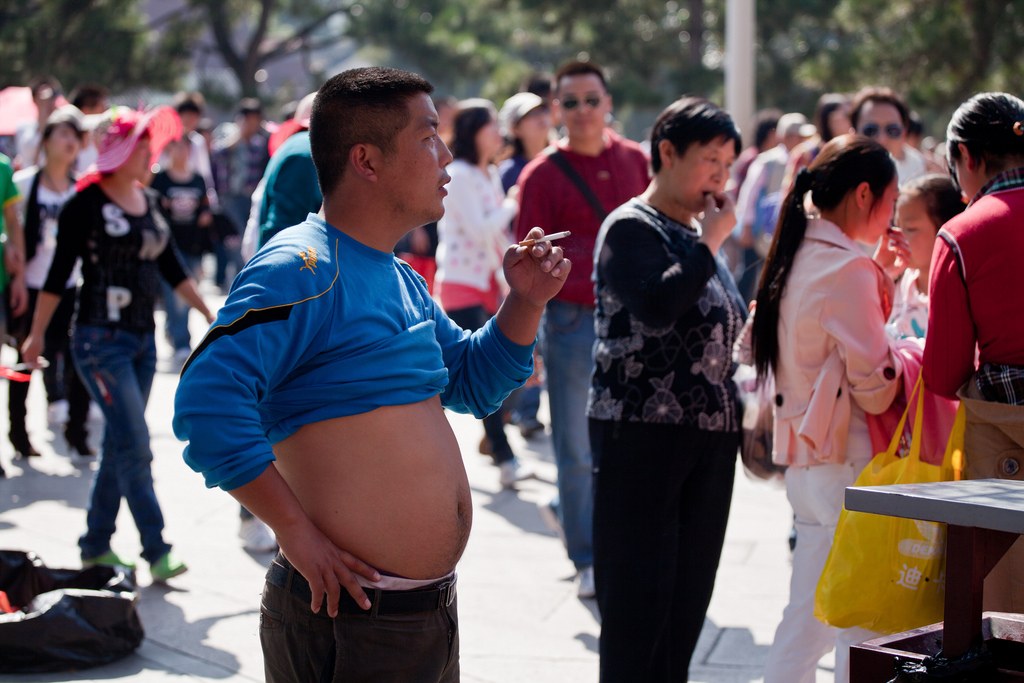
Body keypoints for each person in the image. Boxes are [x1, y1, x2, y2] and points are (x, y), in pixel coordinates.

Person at [172, 66, 569, 682]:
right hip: (349, 619)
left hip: (421, 615)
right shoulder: (299, 266)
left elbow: (469, 382)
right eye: (428, 137)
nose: (445, 157)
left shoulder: (399, 274)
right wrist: (296, 534)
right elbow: (206, 404)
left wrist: (526, 301)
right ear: (366, 159)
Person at [21, 105, 215, 581]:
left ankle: (95, 544)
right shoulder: (82, 204)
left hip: (142, 344)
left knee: (119, 444)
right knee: (135, 445)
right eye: (144, 144)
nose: (153, 152)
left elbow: (172, 268)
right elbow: (59, 273)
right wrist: (36, 335)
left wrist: (212, 316)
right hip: (98, 341)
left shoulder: (146, 201)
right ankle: (156, 548)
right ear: (123, 150)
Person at [589, 97, 746, 681]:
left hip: (708, 437)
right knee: (638, 609)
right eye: (710, 161)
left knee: (685, 605)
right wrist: (711, 245)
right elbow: (658, 305)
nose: (720, 178)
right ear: (667, 153)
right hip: (641, 435)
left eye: (728, 165)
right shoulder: (632, 227)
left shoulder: (698, 234)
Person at [751, 136, 904, 683]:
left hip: (807, 462)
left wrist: (876, 278)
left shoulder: (796, 255)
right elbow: (876, 388)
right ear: (865, 195)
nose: (892, 215)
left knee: (810, 614)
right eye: (891, 201)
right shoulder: (847, 269)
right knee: (858, 619)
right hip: (849, 459)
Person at [514, 60, 649, 598]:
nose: (583, 111)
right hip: (572, 320)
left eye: (592, 99)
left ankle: (622, 546)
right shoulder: (541, 176)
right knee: (574, 446)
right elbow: (529, 259)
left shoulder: (637, 160)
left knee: (634, 440)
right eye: (571, 102)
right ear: (555, 110)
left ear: (608, 101)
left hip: (638, 318)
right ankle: (586, 557)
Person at [924, 92, 1024, 612]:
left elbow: (943, 374)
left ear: (966, 156)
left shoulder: (963, 233)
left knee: (1002, 606)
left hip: (1002, 437)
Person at [434, 99, 530, 488]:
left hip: (488, 283)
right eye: (491, 124)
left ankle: (496, 444)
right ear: (474, 130)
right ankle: (504, 454)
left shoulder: (485, 173)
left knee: (500, 371)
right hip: (461, 281)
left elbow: (494, 236)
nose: (499, 132)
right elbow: (479, 228)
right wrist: (511, 203)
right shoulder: (458, 173)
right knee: (481, 371)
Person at [10, 105, 94, 460]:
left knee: (76, 361)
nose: (70, 141)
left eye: (76, 135)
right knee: (24, 361)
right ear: (45, 140)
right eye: (63, 133)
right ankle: (18, 432)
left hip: (71, 287)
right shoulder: (24, 183)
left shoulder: (81, 189)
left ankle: (77, 431)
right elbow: (12, 233)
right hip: (28, 285)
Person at [498, 91, 553, 439]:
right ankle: (511, 414)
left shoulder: (557, 164)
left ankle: (522, 413)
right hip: (518, 274)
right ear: (515, 127)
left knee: (542, 346)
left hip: (555, 271)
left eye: (544, 111)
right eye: (532, 115)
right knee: (526, 343)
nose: (542, 118)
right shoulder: (508, 172)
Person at [733, 112, 816, 302]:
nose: (803, 141)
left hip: (787, 229)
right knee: (750, 273)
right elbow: (749, 194)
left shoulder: (807, 160)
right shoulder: (767, 161)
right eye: (798, 137)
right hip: (761, 231)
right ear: (784, 137)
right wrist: (746, 227)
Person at [151, 137, 212, 368]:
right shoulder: (160, 179)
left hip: (193, 245)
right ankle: (181, 342)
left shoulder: (197, 179)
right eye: (176, 146)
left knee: (188, 294)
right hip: (168, 246)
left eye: (185, 147)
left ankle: (174, 332)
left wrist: (205, 215)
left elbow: (206, 205)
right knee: (174, 296)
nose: (181, 151)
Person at [885, 175, 964, 341]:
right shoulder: (894, 284)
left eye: (910, 229)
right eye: (896, 226)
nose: (898, 236)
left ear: (946, 230)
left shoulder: (961, 297)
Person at [211, 98, 269, 289]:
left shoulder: (260, 143)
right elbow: (217, 154)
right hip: (231, 199)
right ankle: (239, 280)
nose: (253, 124)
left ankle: (246, 279)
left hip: (252, 199)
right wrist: (238, 136)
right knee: (235, 241)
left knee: (250, 239)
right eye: (249, 119)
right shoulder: (228, 139)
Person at [851, 86, 927, 185]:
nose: (882, 139)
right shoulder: (841, 174)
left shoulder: (916, 164)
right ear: (854, 134)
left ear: (904, 133)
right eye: (871, 130)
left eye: (892, 130)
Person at [781, 93, 852, 195]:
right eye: (847, 115)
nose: (852, 120)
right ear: (830, 119)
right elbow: (790, 196)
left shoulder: (851, 150)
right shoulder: (806, 154)